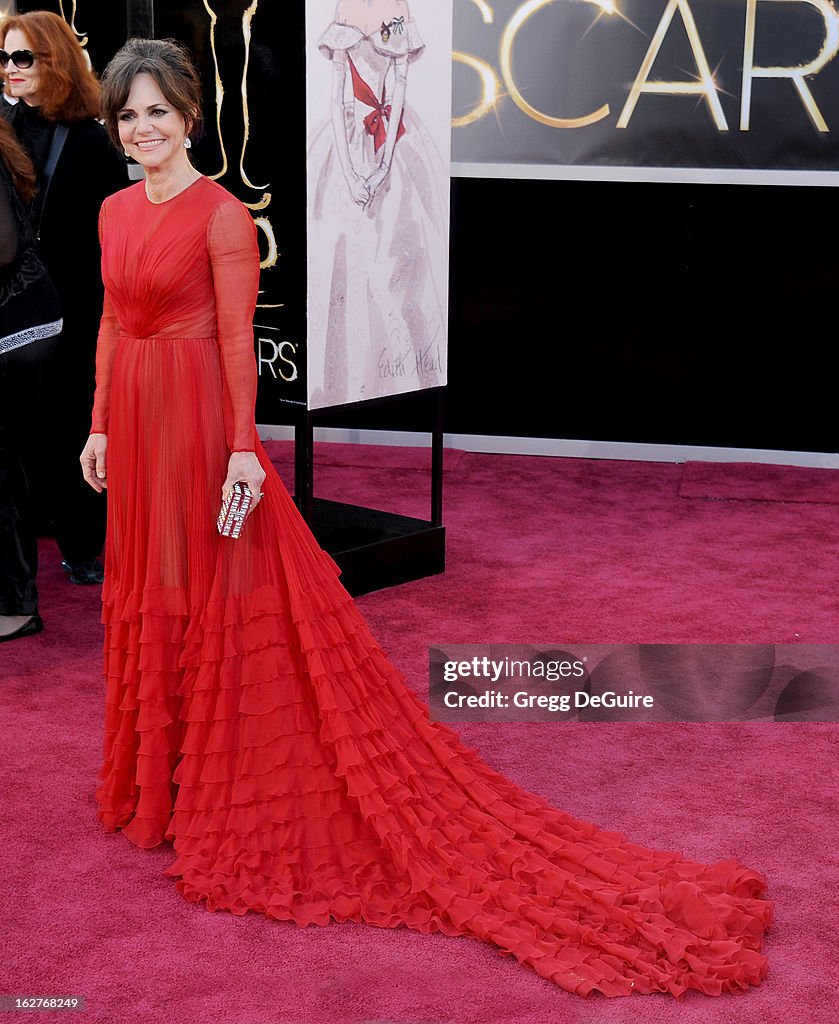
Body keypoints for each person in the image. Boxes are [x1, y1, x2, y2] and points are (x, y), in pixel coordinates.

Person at [82, 37, 772, 998]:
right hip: (140, 425)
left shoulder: (223, 216)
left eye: (158, 110)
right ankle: (155, 780)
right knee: (151, 587)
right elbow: (115, 321)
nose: (142, 128)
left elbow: (238, 341)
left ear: (190, 117)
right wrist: (100, 423)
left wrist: (243, 449)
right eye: (127, 114)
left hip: (201, 426)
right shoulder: (114, 209)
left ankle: (205, 779)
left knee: (220, 593)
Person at [0, 11, 128, 585]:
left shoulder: (90, 137)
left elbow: (113, 229)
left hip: (76, 307)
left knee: (73, 422)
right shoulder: (1, 125)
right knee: (16, 431)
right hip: (12, 304)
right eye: (3, 59)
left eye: (23, 58)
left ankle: (81, 542)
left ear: (53, 60)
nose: (10, 70)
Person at [306, 0, 447, 409]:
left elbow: (399, 88)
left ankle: (404, 369)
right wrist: (350, 172)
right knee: (345, 253)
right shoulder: (345, 7)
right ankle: (343, 374)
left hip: (397, 142)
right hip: (344, 140)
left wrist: (384, 165)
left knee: (401, 257)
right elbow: (337, 97)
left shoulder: (396, 6)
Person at [0, 117, 62, 641]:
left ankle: (17, 605)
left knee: (2, 467)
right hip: (26, 318)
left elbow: (2, 246)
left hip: (19, 328)